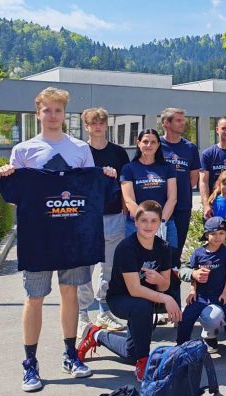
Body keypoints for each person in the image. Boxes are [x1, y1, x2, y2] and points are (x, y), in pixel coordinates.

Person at [0, 87, 117, 392]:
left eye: (58, 110)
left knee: (70, 295)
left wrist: (105, 175)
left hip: (73, 238)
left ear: (65, 114)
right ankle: (30, 363)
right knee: (34, 298)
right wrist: (7, 175)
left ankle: (70, 354)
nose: (53, 116)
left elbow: (89, 190)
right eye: (47, 110)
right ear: (37, 113)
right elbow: (15, 196)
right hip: (38, 239)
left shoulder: (79, 148)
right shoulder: (24, 150)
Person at [77, 201, 180, 382]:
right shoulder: (127, 247)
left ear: (159, 223)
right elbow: (134, 289)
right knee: (142, 306)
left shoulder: (164, 248)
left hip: (144, 301)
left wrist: (159, 280)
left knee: (130, 352)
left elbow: (165, 285)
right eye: (144, 221)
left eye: (153, 221)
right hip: (120, 299)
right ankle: (143, 362)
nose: (148, 225)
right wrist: (166, 298)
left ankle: (96, 334)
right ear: (135, 222)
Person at [76, 107, 129, 336]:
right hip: (88, 217)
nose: (97, 127)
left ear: (106, 125)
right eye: (93, 123)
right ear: (86, 126)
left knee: (109, 268)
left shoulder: (118, 152)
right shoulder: (79, 152)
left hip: (114, 215)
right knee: (84, 268)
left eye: (101, 123)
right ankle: (82, 315)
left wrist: (126, 210)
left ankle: (104, 310)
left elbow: (125, 184)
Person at [177, 217, 226, 364]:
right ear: (206, 235)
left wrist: (225, 292)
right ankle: (180, 348)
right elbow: (194, 274)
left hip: (220, 294)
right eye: (214, 234)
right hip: (201, 295)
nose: (218, 237)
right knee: (186, 317)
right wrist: (192, 291)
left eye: (221, 233)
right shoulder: (198, 253)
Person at [119, 129, 178, 248]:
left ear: (158, 144)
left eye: (153, 142)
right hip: (136, 225)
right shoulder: (128, 169)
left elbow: (172, 198)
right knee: (136, 259)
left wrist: (160, 223)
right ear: (138, 143)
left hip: (165, 223)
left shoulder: (168, 167)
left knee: (168, 258)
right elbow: (129, 200)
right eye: (145, 141)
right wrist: (145, 222)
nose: (149, 145)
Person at [159, 108, 200, 260]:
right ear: (166, 123)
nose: (183, 123)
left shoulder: (190, 147)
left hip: (182, 206)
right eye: (178, 120)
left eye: (183, 120)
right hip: (159, 206)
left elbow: (193, 179)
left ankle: (173, 274)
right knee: (157, 249)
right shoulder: (156, 145)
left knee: (176, 250)